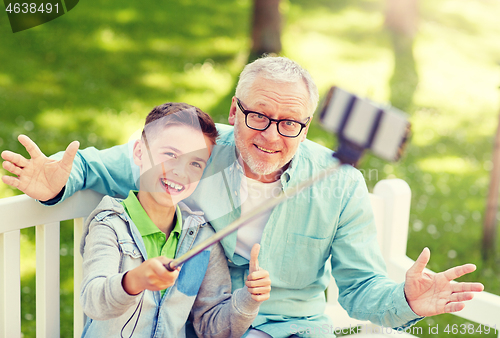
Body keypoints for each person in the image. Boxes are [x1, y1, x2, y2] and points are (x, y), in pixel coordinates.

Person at [1, 56, 484, 338]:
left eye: (291, 123)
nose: (272, 137)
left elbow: (359, 291)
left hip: (298, 329)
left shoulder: (338, 182)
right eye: (258, 117)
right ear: (235, 110)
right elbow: (96, 167)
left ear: (307, 125)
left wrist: (407, 299)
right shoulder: (195, 154)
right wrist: (55, 185)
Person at [77, 102, 271, 337]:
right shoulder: (110, 224)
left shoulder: (202, 239)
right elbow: (94, 300)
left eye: (195, 164)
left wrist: (248, 300)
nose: (180, 171)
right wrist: (134, 280)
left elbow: (212, 328)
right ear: (139, 152)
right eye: (170, 155)